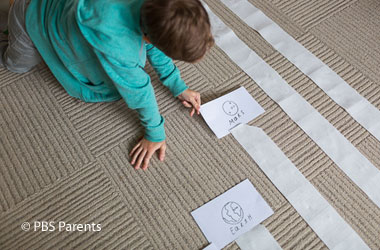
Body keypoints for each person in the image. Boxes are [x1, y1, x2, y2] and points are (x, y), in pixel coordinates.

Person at [0, 0, 214, 170]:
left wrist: (177, 85)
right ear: (148, 38)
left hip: (64, 8)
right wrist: (155, 133)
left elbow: (154, 46)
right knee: (15, 64)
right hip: (31, 16)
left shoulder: (153, 10)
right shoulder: (118, 46)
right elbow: (139, 91)